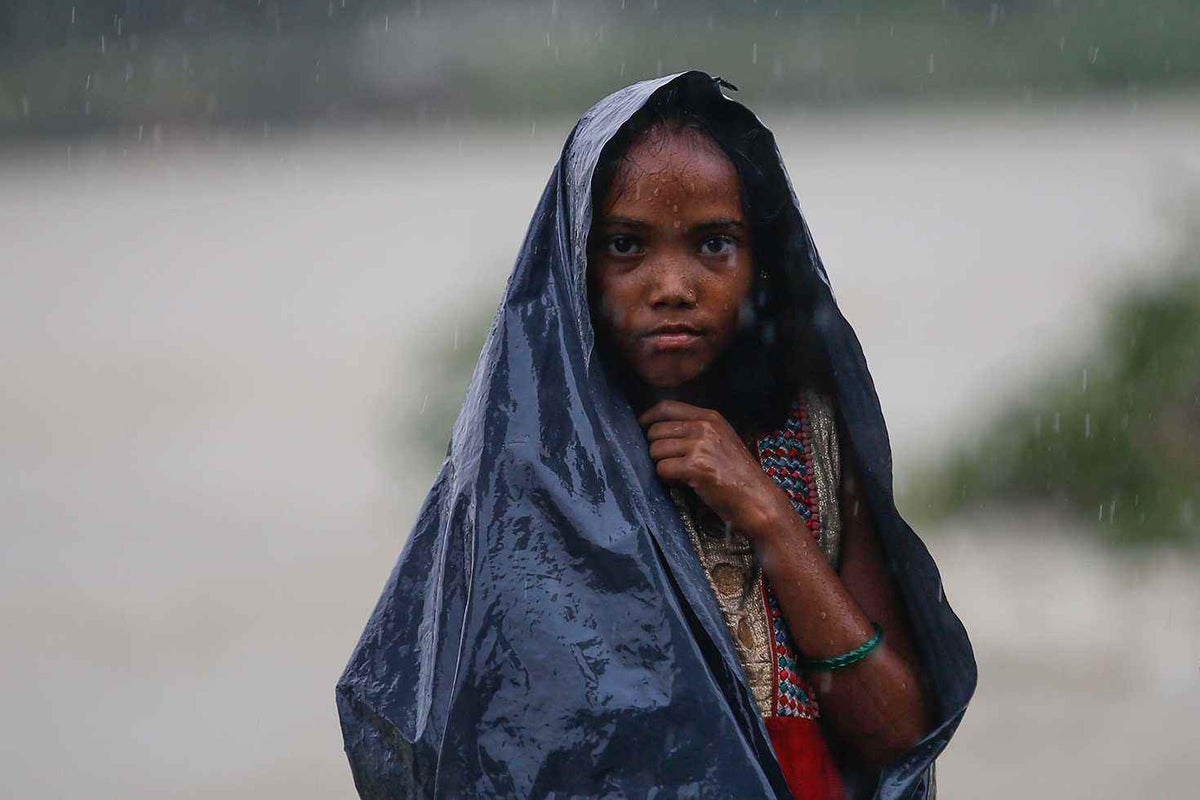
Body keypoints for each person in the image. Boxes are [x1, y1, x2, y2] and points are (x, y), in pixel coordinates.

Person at [337, 71, 976, 799]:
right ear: (576, 262)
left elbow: (898, 732)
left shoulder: (809, 430)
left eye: (713, 244)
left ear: (759, 262)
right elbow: (473, 750)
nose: (672, 284)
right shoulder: (521, 474)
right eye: (625, 245)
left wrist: (767, 516)